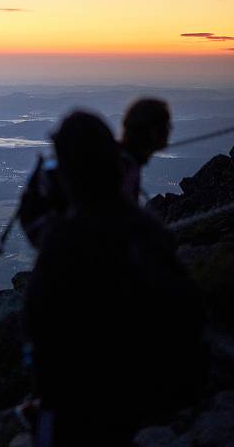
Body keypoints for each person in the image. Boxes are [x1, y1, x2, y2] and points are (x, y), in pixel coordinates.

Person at [24, 112, 206, 446]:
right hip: (141, 401)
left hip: (80, 412)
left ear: (68, 173)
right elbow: (188, 312)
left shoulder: (66, 243)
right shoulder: (149, 232)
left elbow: (41, 327)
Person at [19, 97, 172, 249]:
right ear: (153, 132)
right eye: (166, 127)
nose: (169, 131)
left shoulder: (116, 159)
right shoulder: (119, 166)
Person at [119, 98, 171, 203]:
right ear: (153, 131)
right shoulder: (126, 166)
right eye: (166, 125)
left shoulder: (121, 157)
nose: (170, 129)